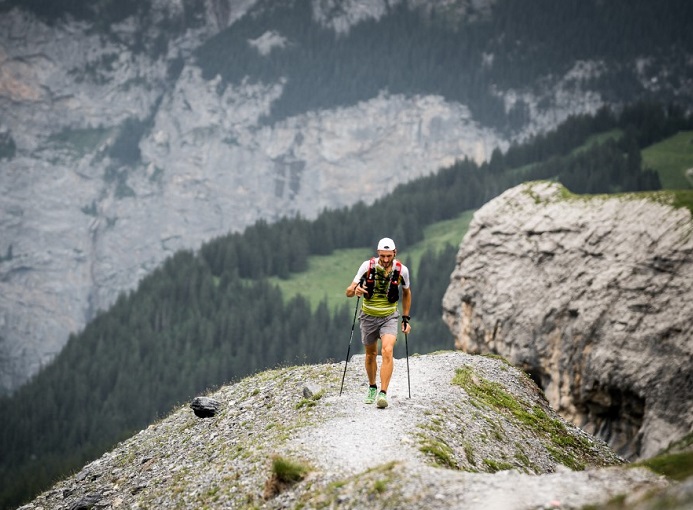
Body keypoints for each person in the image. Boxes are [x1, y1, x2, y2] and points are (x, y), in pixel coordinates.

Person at [345, 237, 411, 408]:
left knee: (387, 351)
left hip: (389, 316)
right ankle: (372, 386)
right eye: (383, 256)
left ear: (395, 253)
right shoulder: (367, 266)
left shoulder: (402, 270)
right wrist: (356, 289)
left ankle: (383, 393)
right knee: (370, 355)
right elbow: (348, 292)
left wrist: (405, 318)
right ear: (378, 253)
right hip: (368, 316)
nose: (386, 259)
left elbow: (407, 293)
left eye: (389, 256)